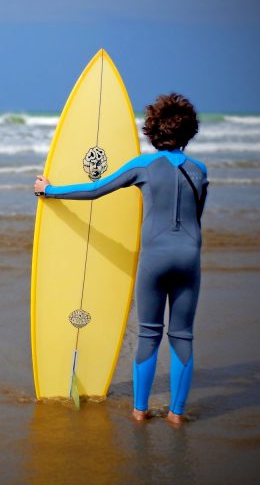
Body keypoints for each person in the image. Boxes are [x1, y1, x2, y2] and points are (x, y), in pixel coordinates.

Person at [33, 93, 208, 425]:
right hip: (189, 259)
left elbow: (95, 190)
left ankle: (140, 410)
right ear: (190, 130)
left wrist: (50, 190)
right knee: (182, 335)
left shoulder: (143, 166)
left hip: (155, 260)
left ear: (152, 130)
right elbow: (196, 216)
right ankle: (177, 414)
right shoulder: (200, 171)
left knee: (149, 333)